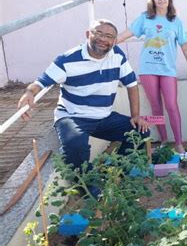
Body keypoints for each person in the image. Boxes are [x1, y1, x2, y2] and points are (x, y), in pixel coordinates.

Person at [18, 19, 150, 169]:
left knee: (140, 132)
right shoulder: (68, 59)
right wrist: (29, 93)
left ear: (114, 41)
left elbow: (132, 85)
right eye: (98, 33)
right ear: (88, 34)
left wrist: (136, 116)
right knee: (75, 146)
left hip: (103, 117)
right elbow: (41, 82)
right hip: (73, 117)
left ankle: (114, 171)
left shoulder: (117, 55)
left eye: (109, 36)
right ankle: (88, 185)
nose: (103, 39)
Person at [117, 0, 187, 160]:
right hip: (148, 69)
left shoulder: (176, 21)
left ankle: (179, 144)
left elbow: (185, 46)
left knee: (171, 105)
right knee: (156, 107)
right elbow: (129, 33)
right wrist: (110, 41)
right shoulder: (145, 18)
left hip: (167, 70)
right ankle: (163, 141)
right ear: (152, 0)